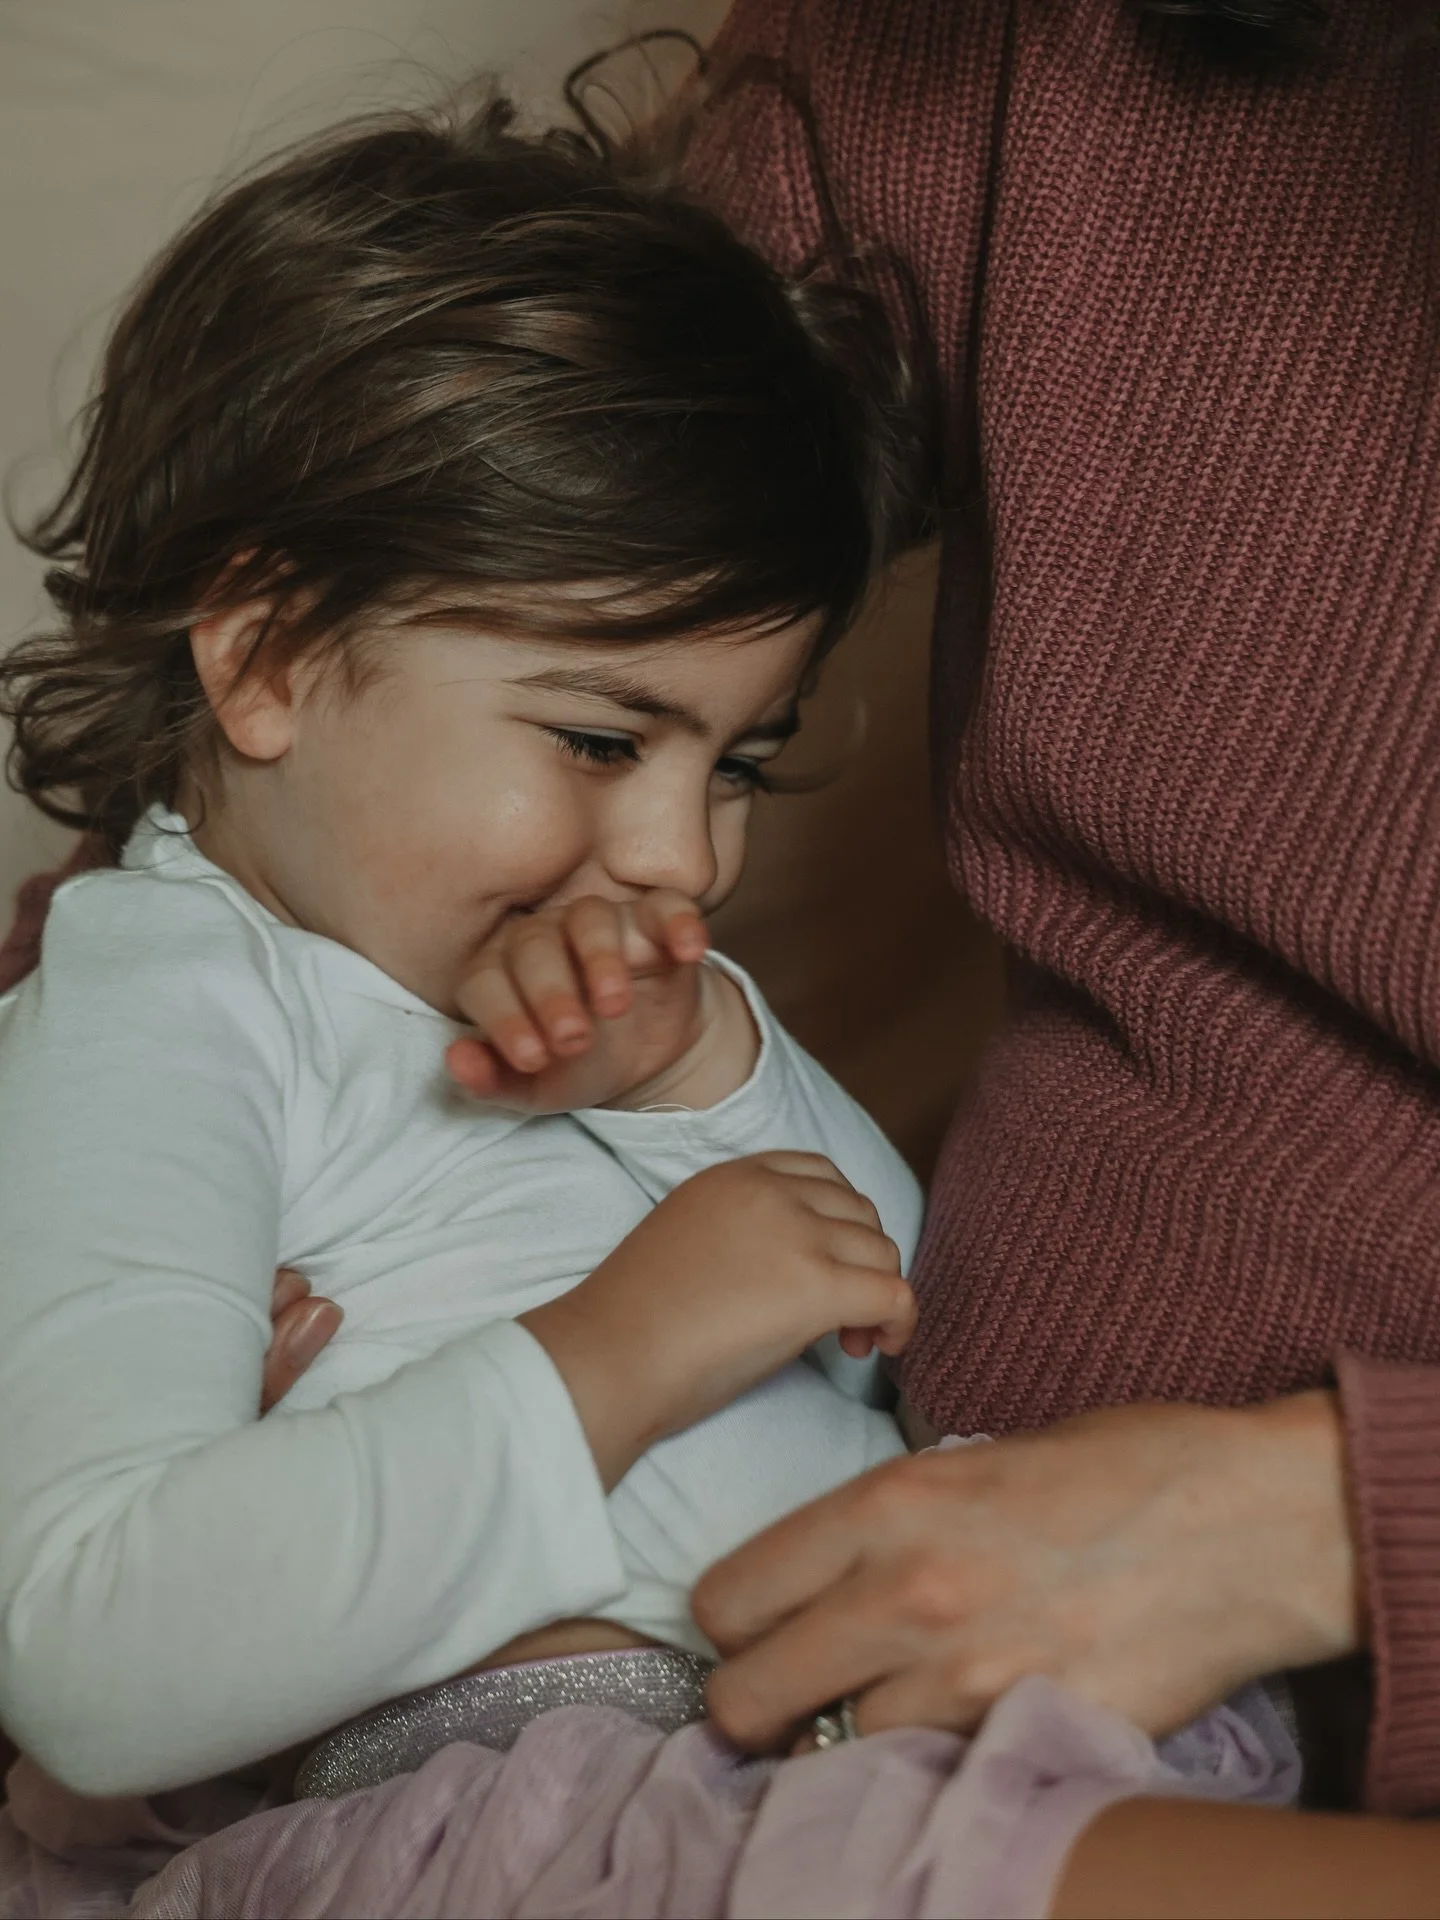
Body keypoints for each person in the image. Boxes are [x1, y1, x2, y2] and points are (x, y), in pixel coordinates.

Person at [0, 90, 935, 1795]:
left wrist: (700, 1075)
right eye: (597, 739)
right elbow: (85, 1648)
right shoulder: (158, 1018)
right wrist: (618, 1355)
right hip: (552, 1782)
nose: (678, 857)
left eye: (737, 764)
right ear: (270, 656)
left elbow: (884, 1324)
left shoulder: (573, 987)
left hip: (873, 1704)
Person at [662, 0, 1440, 1905]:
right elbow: (417, 601)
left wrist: (1334, 1523)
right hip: (926, 1631)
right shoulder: (1005, 56)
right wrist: (136, 1102)